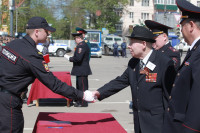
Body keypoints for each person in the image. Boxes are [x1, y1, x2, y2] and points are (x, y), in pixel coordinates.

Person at [0, 16, 94, 133]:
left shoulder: (13, 44)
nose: (48, 34)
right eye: (46, 31)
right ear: (37, 32)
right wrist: (82, 95)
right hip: (8, 103)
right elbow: (54, 84)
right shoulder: (32, 55)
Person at [92, 26, 176, 133]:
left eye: (132, 43)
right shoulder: (133, 62)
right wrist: (99, 92)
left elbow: (170, 97)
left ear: (144, 44)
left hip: (157, 125)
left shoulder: (164, 63)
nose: (128, 46)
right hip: (139, 123)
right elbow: (120, 81)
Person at [162, 0, 200, 132]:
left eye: (181, 25)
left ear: (191, 26)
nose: (180, 30)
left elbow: (197, 97)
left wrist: (190, 129)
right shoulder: (194, 49)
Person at [64, 32, 92, 107]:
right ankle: (80, 101)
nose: (75, 40)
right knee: (80, 86)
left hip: (81, 70)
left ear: (79, 38)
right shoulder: (81, 45)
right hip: (81, 70)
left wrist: (69, 58)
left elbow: (78, 58)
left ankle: (83, 103)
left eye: (75, 38)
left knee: (82, 87)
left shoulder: (81, 46)